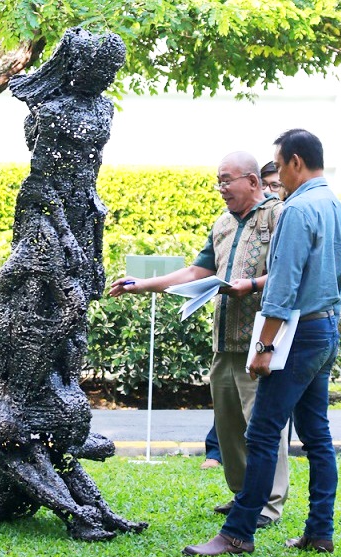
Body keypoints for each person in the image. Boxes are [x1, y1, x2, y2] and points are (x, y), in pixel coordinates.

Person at [184, 129, 341, 557]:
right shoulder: (334, 205)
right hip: (325, 329)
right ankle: (320, 532)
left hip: (297, 334)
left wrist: (263, 347)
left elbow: (283, 284)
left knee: (260, 433)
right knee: (317, 437)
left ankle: (238, 533)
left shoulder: (296, 209)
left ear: (296, 162)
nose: (275, 176)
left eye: (278, 166)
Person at [110, 151, 289, 529]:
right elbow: (196, 271)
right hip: (224, 341)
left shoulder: (278, 215)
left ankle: (269, 504)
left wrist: (251, 285)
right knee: (229, 426)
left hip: (260, 341)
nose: (221, 188)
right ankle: (244, 496)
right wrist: (142, 285)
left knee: (263, 428)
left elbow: (289, 273)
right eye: (218, 181)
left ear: (252, 181)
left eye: (227, 180)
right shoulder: (222, 223)